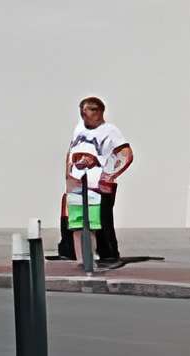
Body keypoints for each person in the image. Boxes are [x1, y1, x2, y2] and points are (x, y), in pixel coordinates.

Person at [58, 95, 131, 267]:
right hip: (77, 180)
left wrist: (108, 175)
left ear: (100, 112)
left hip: (98, 182)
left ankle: (108, 254)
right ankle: (69, 251)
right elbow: (70, 151)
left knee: (100, 218)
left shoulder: (110, 131)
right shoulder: (79, 129)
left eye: (90, 110)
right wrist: (68, 174)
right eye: (83, 110)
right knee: (73, 217)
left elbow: (125, 153)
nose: (85, 114)